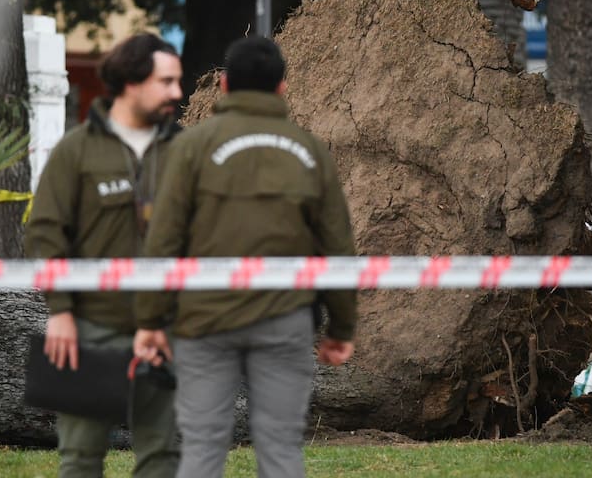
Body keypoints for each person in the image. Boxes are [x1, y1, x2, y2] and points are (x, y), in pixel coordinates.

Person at [133, 35, 357, 478]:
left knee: (201, 448)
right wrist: (342, 327)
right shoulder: (310, 151)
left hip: (203, 321)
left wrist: (150, 320)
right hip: (285, 318)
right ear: (283, 88)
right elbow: (336, 246)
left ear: (223, 84)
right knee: (280, 449)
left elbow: (163, 241)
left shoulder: (190, 148)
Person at [25, 33, 182, 478]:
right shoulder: (76, 150)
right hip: (90, 330)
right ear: (132, 83)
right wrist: (60, 312)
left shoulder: (184, 151)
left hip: (168, 330)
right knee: (80, 458)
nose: (177, 92)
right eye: (166, 81)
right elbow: (45, 233)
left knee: (162, 459)